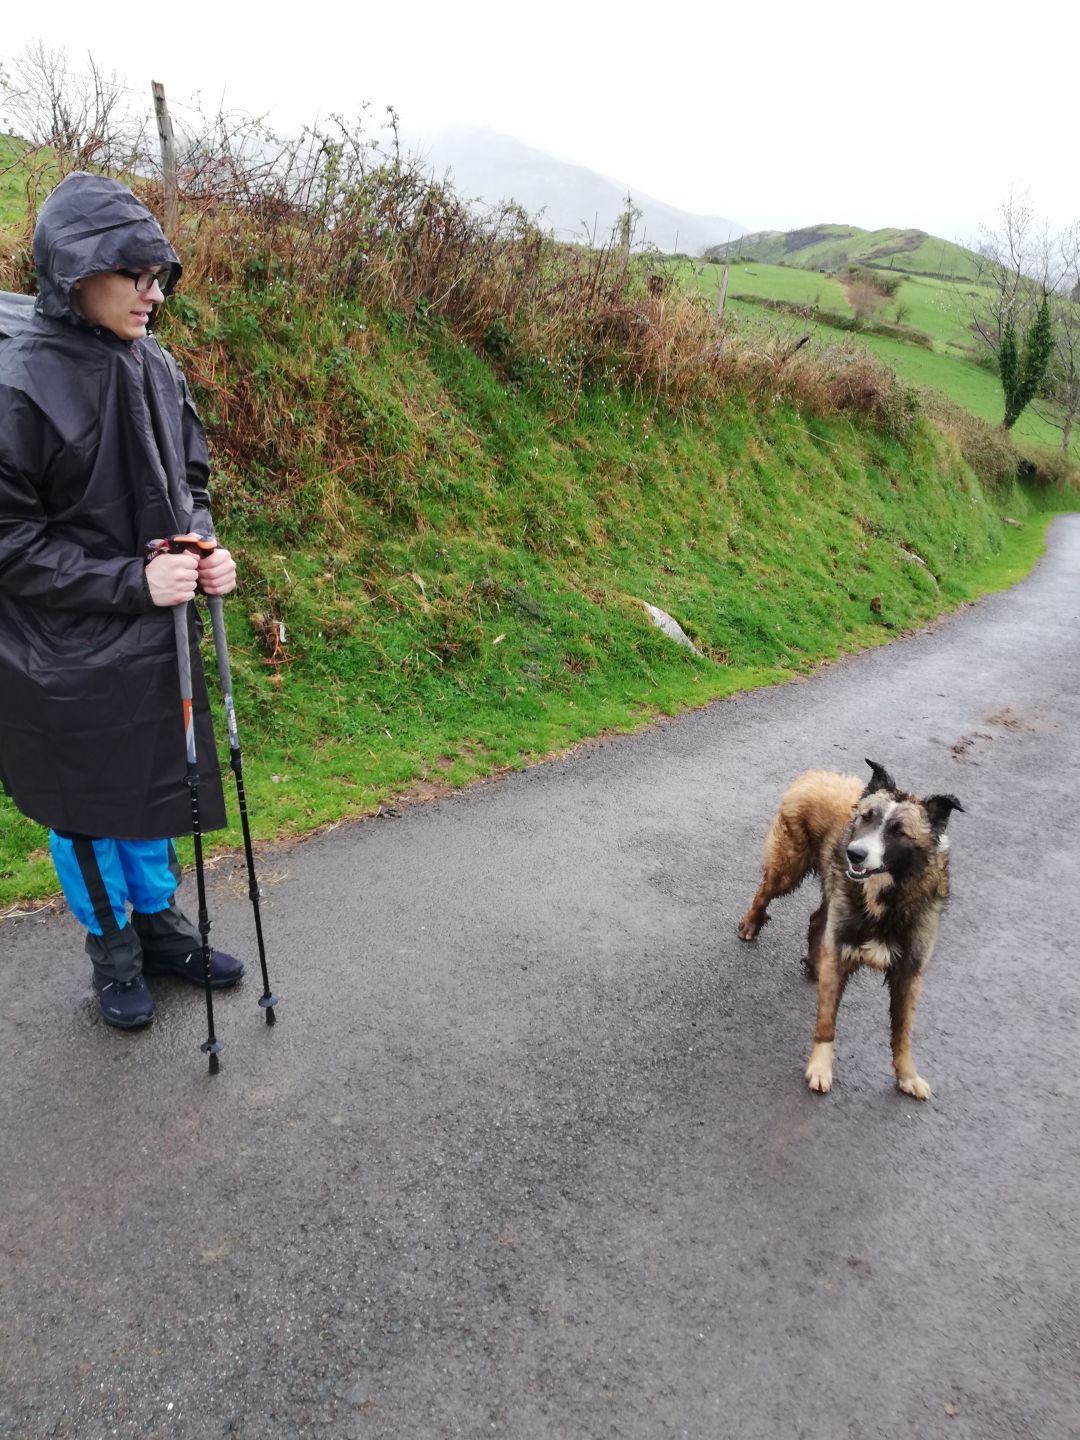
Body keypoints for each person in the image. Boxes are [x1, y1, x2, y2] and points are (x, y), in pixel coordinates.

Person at [0, 171, 244, 1030]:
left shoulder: (155, 365)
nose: (154, 294)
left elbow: (190, 483)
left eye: (160, 277)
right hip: (59, 650)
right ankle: (113, 951)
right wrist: (130, 582)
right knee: (87, 809)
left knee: (152, 785)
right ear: (76, 272)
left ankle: (161, 928)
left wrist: (203, 548)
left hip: (153, 638)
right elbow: (9, 542)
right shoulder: (18, 383)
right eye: (135, 275)